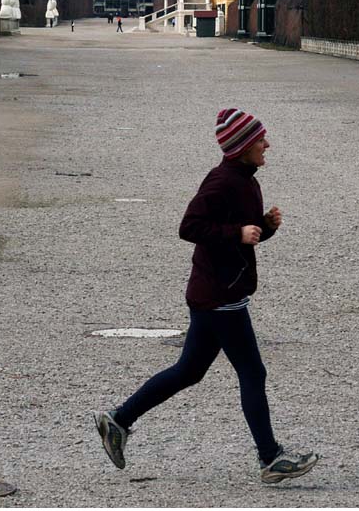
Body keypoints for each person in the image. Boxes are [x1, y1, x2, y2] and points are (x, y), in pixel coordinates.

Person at [93, 109, 319, 484]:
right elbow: (190, 227)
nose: (268, 144)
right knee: (252, 371)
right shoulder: (221, 182)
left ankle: (118, 420)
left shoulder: (246, 179)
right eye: (261, 139)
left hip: (216, 291)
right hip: (219, 295)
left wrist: (263, 227)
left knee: (189, 371)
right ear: (243, 147)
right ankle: (270, 458)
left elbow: (243, 235)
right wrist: (237, 233)